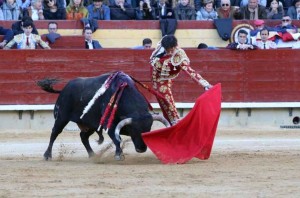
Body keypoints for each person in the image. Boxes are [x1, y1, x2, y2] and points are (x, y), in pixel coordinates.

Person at [150, 35, 212, 125]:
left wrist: (205, 84)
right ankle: (172, 124)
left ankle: (175, 124)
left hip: (164, 81)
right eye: (167, 49)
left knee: (169, 105)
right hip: (157, 81)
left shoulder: (179, 56)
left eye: (170, 49)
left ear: (175, 46)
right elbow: (154, 60)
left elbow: (190, 71)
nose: (168, 52)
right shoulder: (162, 46)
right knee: (165, 105)